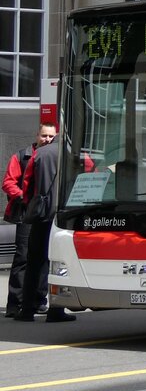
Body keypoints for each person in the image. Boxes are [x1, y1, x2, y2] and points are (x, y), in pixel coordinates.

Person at [15, 125, 75, 322]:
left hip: (42, 215)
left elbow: (27, 183)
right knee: (60, 264)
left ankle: (27, 310)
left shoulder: (39, 154)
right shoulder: (72, 153)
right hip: (64, 216)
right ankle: (56, 309)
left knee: (34, 262)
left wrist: (30, 203)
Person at [4, 123, 55, 318]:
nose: (47, 139)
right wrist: (26, 198)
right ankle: (15, 303)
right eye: (44, 135)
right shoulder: (21, 156)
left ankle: (38, 301)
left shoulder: (52, 155)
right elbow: (8, 182)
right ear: (37, 135)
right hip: (27, 213)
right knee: (23, 258)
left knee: (44, 258)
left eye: (51, 136)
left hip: (47, 213)